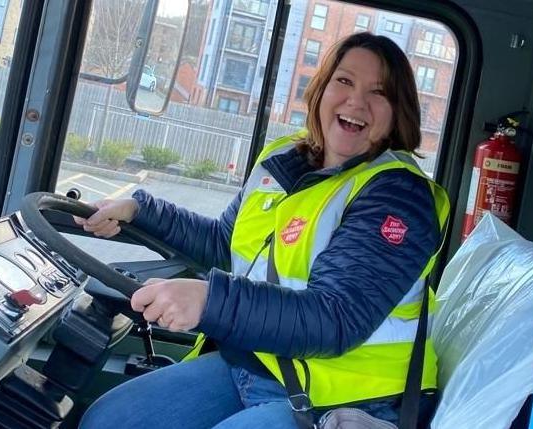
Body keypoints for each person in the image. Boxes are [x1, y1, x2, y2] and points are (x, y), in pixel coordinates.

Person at [78, 32, 450, 429]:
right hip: (257, 363)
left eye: (379, 93)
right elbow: (228, 245)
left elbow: (336, 318)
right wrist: (139, 210)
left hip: (347, 397)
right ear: (321, 89)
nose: (356, 101)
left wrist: (210, 301)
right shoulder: (285, 160)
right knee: (108, 420)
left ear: (398, 113)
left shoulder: (398, 195)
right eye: (344, 81)